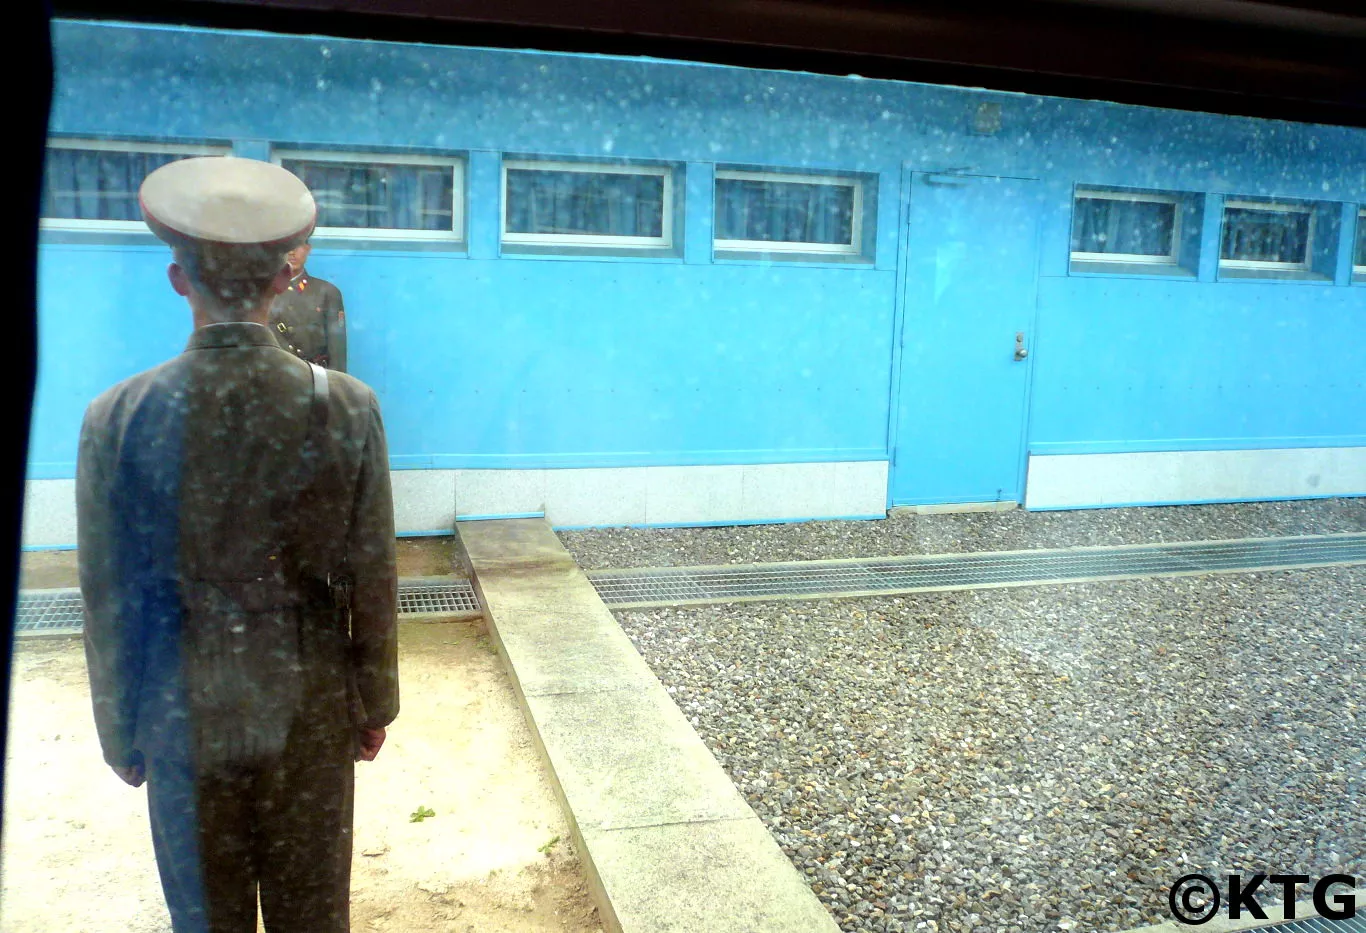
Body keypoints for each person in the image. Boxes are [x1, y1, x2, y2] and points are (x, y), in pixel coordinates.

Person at [76, 155, 398, 933]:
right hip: (312, 703)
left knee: (206, 917)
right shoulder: (349, 407)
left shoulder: (115, 416)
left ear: (178, 279)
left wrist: (119, 728)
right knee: (312, 913)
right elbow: (373, 572)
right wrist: (374, 701)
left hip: (179, 705)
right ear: (286, 276)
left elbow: (108, 594)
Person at [269, 242, 348, 372]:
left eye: (297, 245)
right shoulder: (263, 292)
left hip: (312, 378)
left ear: (308, 249)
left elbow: (337, 349)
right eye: (286, 247)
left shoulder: (326, 292)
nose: (291, 253)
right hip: (274, 375)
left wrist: (335, 387)